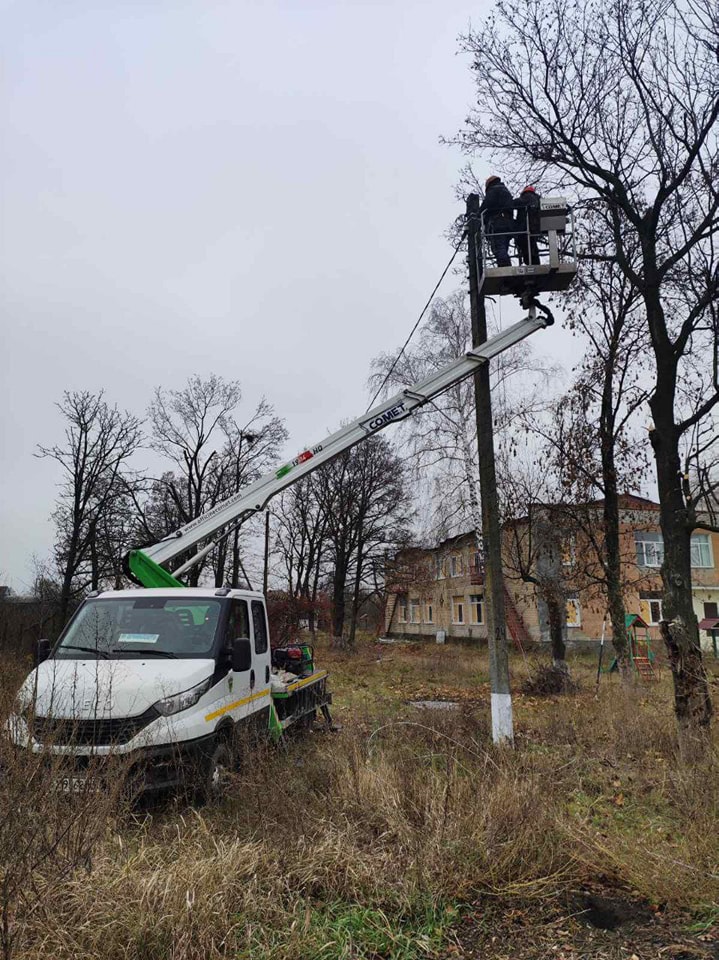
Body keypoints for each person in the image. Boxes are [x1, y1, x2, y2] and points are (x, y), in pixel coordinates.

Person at [478, 175, 516, 267]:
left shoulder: (493, 191)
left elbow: (486, 205)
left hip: (498, 223)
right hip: (508, 224)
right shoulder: (506, 191)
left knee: (499, 246)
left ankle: (505, 266)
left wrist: (478, 214)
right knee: (504, 246)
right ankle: (505, 264)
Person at [514, 185, 541, 265]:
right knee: (532, 246)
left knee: (526, 247)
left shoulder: (527, 197)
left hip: (525, 227)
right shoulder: (538, 200)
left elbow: (515, 203)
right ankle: (535, 263)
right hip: (535, 228)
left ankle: (531, 263)